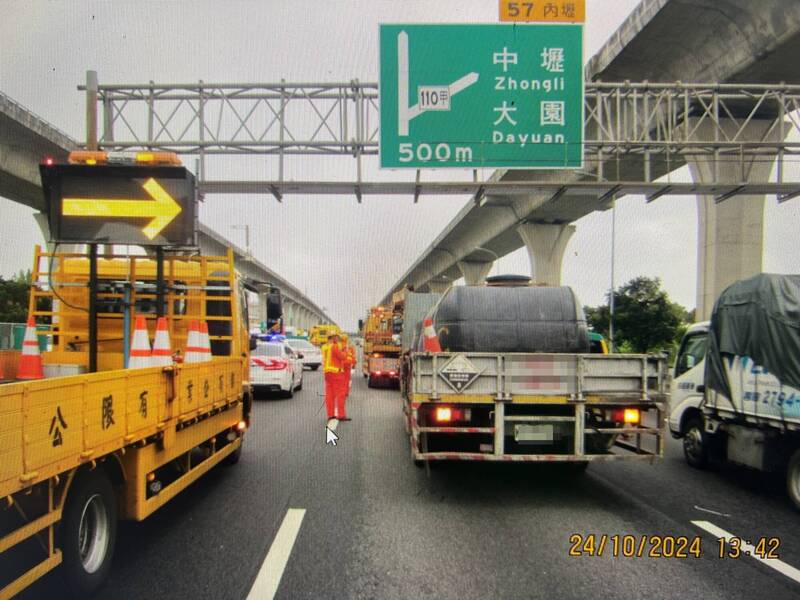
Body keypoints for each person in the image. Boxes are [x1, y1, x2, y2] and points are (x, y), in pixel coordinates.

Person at [322, 333, 347, 421]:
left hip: (327, 372)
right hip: (335, 372)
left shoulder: (325, 347)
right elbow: (342, 357)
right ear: (334, 338)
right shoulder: (334, 346)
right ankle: (341, 415)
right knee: (341, 394)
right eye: (337, 337)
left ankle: (330, 414)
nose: (339, 339)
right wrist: (344, 350)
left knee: (330, 395)